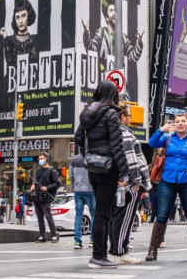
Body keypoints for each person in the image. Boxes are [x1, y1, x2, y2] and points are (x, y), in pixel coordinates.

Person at [74, 80, 130, 269]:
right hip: (108, 167)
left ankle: (101, 255)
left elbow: (78, 137)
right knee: (102, 214)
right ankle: (98, 256)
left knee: (99, 212)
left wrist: (87, 155)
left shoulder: (88, 111)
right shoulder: (112, 113)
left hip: (93, 167)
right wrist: (124, 171)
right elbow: (116, 144)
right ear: (113, 95)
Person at [145, 111, 187, 262]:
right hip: (168, 180)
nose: (180, 124)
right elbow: (151, 143)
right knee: (162, 215)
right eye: (177, 121)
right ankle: (153, 250)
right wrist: (161, 130)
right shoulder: (167, 138)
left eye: (183, 121)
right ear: (174, 123)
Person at [109, 102, 151, 264]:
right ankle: (120, 252)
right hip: (128, 184)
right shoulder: (125, 133)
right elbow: (132, 160)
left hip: (115, 183)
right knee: (125, 219)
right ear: (122, 117)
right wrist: (137, 182)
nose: (130, 119)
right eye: (128, 116)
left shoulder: (110, 132)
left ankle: (116, 249)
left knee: (115, 218)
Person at [31, 153, 62, 243]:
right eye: (39, 158)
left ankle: (54, 235)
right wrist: (33, 185)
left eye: (41, 158)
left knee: (48, 216)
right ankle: (42, 236)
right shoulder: (38, 170)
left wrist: (47, 188)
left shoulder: (52, 171)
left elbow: (57, 184)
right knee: (39, 217)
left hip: (46, 197)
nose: (39, 160)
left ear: (46, 159)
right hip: (37, 196)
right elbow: (36, 182)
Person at [69, 154, 96, 249]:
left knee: (78, 215)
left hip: (78, 191)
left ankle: (77, 242)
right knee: (93, 214)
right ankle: (92, 241)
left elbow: (70, 175)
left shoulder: (74, 159)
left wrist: (75, 185)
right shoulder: (92, 158)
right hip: (90, 190)